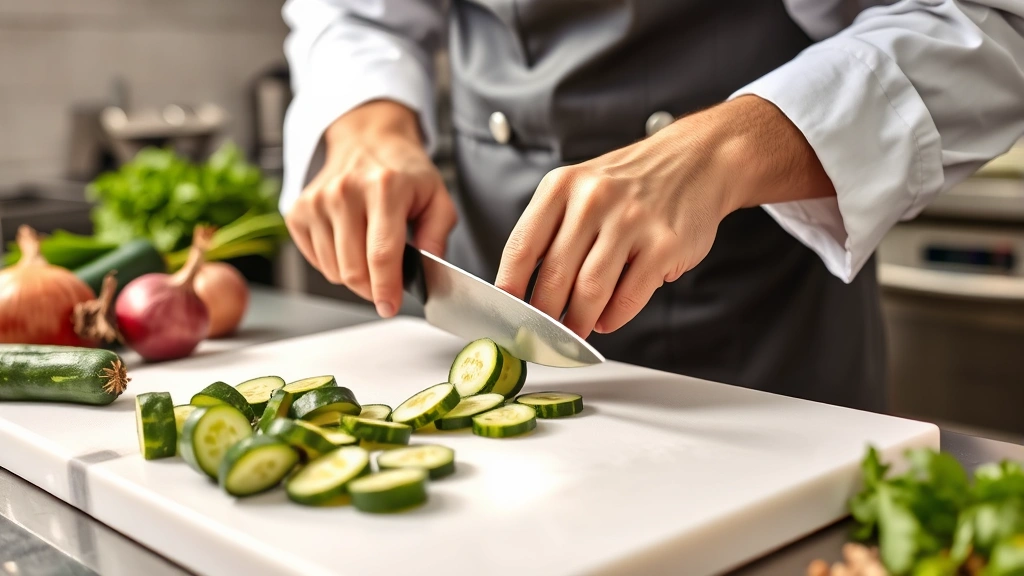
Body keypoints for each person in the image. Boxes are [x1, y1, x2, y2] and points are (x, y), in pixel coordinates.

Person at [277, 0, 1024, 413]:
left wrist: (726, 148)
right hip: (485, 289)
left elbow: (985, 25)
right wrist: (366, 121)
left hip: (754, 332)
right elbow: (355, 15)